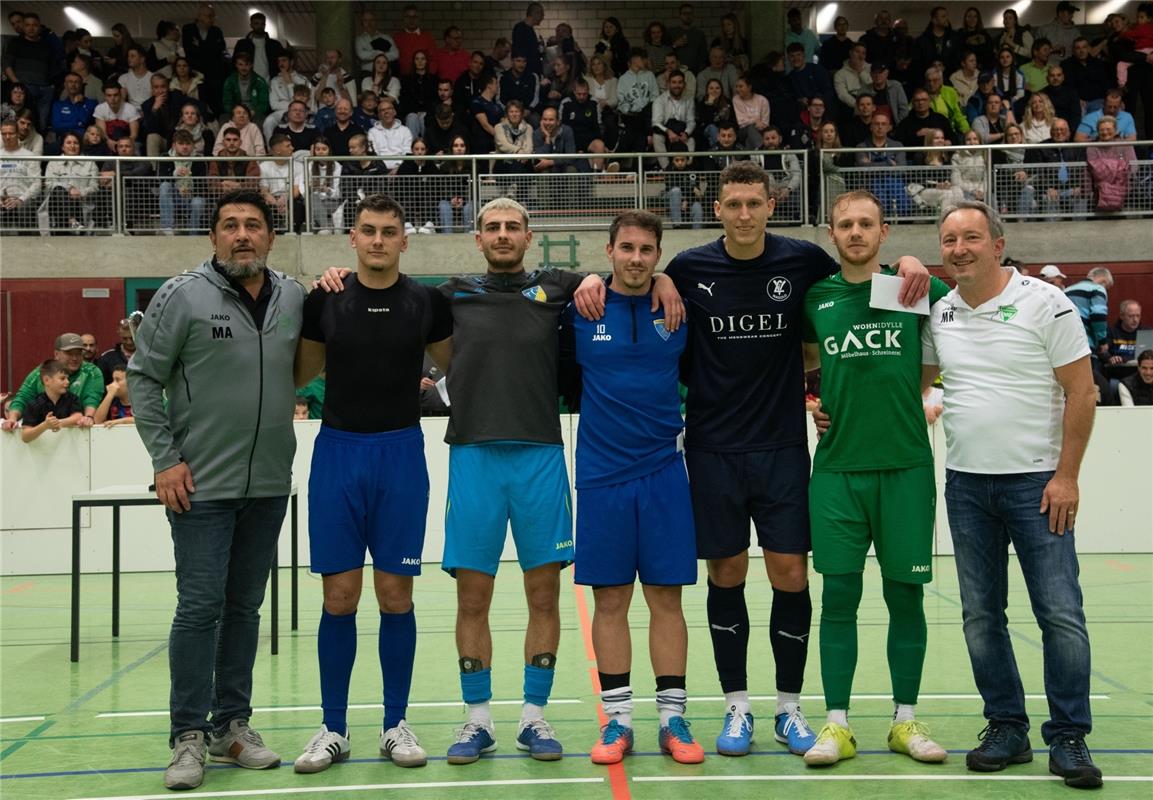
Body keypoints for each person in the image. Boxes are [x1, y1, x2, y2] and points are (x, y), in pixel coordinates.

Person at [656, 161, 928, 759]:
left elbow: (861, 281)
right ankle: (736, 707)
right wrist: (657, 279)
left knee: (791, 576)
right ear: (718, 209)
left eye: (754, 203)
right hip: (711, 449)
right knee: (725, 575)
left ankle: (788, 708)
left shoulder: (803, 262)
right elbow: (646, 284)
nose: (744, 214)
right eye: (733, 204)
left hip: (782, 448)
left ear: (771, 206)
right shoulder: (688, 268)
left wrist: (909, 262)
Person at [127, 189, 305, 791]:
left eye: (253, 225)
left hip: (268, 484)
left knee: (244, 609)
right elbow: (143, 379)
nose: (242, 235)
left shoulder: (293, 295)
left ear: (270, 238)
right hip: (198, 483)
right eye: (229, 225)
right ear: (213, 237)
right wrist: (165, 460)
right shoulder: (182, 295)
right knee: (200, 608)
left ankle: (233, 724)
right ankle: (187, 737)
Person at [920, 200, 1102, 789]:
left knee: (1060, 615)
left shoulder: (1046, 303)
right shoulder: (939, 313)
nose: (959, 249)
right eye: (949, 240)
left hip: (1038, 485)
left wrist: (1066, 475)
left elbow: (1083, 392)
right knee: (980, 617)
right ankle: (1006, 727)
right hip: (967, 486)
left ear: (997, 245)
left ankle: (1069, 735)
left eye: (971, 238)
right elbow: (916, 388)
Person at [291, 193, 451, 774]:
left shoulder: (427, 302)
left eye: (389, 231)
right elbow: (301, 373)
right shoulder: (325, 300)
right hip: (337, 455)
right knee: (339, 597)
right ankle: (333, 727)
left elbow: (455, 362)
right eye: (368, 231)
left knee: (395, 596)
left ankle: (394, 724)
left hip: (402, 456)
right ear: (352, 239)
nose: (379, 240)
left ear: (405, 240)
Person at [800, 190, 951, 768]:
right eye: (846, 224)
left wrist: (917, 265)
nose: (856, 232)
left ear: (884, 233)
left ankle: (904, 720)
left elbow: (961, 319)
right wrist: (811, 401)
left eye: (866, 223)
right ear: (832, 235)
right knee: (839, 594)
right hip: (837, 469)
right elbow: (786, 361)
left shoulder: (910, 288)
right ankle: (836, 724)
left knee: (904, 595)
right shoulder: (817, 298)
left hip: (906, 466)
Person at [560, 211, 703, 766]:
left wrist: (669, 284)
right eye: (627, 248)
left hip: (666, 474)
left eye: (648, 250)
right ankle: (617, 721)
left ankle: (673, 719)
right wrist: (582, 282)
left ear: (659, 254)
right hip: (601, 477)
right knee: (611, 600)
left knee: (667, 599)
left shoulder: (678, 307)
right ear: (609, 250)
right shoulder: (580, 308)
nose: (637, 258)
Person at [3, 333, 102, 431]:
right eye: (69, 353)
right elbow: (23, 396)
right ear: (56, 354)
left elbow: (92, 398)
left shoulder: (92, 372)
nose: (74, 358)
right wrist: (12, 419)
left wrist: (89, 417)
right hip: (42, 435)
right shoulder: (42, 372)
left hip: (78, 432)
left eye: (78, 353)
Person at [43, 131, 99, 232]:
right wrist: (69, 189)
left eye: (76, 143)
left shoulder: (90, 163)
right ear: (62, 147)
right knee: (59, 190)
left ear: (80, 146)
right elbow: (49, 184)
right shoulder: (53, 163)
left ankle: (73, 222)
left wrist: (80, 192)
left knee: (62, 192)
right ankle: (72, 221)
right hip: (56, 207)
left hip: (80, 204)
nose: (72, 146)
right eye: (68, 143)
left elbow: (94, 186)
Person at [18, 359, 84, 443]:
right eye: (62, 378)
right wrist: (45, 425)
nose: (67, 382)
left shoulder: (72, 398)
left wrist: (58, 423)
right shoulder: (34, 404)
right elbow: (25, 436)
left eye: (68, 378)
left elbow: (78, 417)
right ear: (46, 380)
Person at [1108, 301, 1146, 365]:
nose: (1135, 320)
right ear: (1121, 316)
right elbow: (1102, 353)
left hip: (1141, 370)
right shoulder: (1111, 332)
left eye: (1138, 316)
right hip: (1118, 368)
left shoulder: (1146, 332)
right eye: (1131, 316)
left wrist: (1124, 359)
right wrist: (1110, 358)